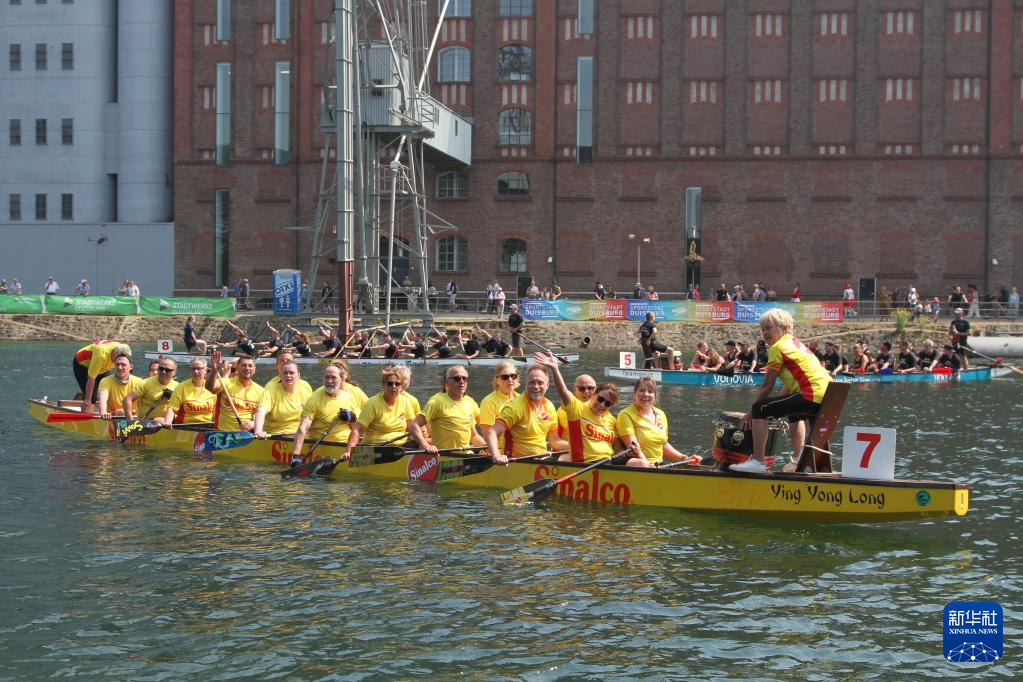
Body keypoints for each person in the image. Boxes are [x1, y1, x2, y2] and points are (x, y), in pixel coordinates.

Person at [734, 308, 833, 474]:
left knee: (760, 408)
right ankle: (800, 459)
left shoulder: (777, 348)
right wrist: (777, 409)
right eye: (763, 329)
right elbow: (791, 383)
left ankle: (758, 462)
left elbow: (767, 386)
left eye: (769, 328)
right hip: (829, 394)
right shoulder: (796, 344)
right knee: (793, 412)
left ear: (785, 328)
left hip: (812, 394)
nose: (765, 332)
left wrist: (751, 413)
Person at [534, 352, 622, 463]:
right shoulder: (576, 410)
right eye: (600, 399)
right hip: (578, 459)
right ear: (595, 394)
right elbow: (564, 392)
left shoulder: (612, 420)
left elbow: (618, 448)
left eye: (608, 403)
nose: (602, 404)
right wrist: (555, 369)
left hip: (606, 460)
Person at [289, 362, 367, 466]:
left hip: (347, 445)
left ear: (341, 379)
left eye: (333, 377)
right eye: (327, 377)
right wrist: (296, 456)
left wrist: (352, 418)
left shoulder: (348, 397)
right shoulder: (314, 399)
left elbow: (357, 429)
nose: (329, 381)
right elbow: (303, 428)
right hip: (322, 444)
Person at [485, 364, 562, 462]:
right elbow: (491, 433)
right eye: (532, 382)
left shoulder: (550, 406)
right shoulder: (514, 407)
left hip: (542, 460)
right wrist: (497, 456)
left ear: (547, 385)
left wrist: (574, 446)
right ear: (526, 384)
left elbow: (555, 441)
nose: (536, 386)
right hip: (517, 462)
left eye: (540, 383)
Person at [616, 377, 699, 468]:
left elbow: (663, 444)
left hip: (657, 465)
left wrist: (684, 458)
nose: (646, 394)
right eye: (642, 390)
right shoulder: (626, 415)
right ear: (635, 393)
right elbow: (634, 448)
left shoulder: (661, 414)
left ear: (655, 395)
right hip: (637, 462)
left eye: (650, 391)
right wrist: (648, 465)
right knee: (643, 464)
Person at [345, 365, 421, 459]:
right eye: (390, 383)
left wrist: (424, 443)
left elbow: (412, 427)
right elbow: (358, 430)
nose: (393, 386)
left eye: (397, 384)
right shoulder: (373, 403)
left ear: (401, 387)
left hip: (401, 447)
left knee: (424, 443)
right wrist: (349, 451)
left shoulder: (405, 401)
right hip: (377, 448)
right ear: (384, 385)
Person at [412, 365, 485, 452]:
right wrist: (425, 445)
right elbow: (414, 425)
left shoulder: (469, 402)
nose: (462, 381)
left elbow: (474, 436)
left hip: (466, 454)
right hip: (444, 456)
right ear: (447, 383)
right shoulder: (437, 402)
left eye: (464, 378)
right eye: (457, 378)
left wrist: (488, 448)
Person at [253, 361, 313, 437]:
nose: (288, 375)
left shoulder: (305, 386)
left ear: (298, 375)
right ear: (280, 375)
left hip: (301, 432)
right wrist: (258, 431)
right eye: (285, 373)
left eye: (292, 373)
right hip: (277, 434)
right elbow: (261, 411)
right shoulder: (272, 389)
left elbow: (314, 412)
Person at [207, 351, 263, 430]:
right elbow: (210, 388)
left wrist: (254, 423)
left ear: (254, 369)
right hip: (223, 433)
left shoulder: (260, 391)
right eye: (244, 365)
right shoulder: (226, 383)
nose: (247, 368)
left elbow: (265, 415)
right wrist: (215, 371)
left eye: (250, 366)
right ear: (237, 368)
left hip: (246, 434)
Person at [73, 340, 132, 408]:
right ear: (114, 354)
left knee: (107, 395)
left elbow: (126, 375)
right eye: (118, 362)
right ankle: (84, 401)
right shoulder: (101, 355)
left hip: (103, 367)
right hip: (83, 364)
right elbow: (91, 378)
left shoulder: (123, 350)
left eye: (122, 363)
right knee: (93, 399)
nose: (119, 366)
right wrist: (88, 400)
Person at [479, 361, 520, 455]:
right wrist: (497, 455)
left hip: (517, 450)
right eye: (505, 377)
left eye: (513, 376)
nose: (510, 379)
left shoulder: (520, 399)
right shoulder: (489, 401)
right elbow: (487, 435)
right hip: (496, 453)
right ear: (497, 380)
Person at [161, 358, 217, 426]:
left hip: (206, 427)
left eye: (199, 368)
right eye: (193, 369)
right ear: (190, 370)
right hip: (185, 427)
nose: (196, 371)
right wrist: (168, 421)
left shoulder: (211, 387)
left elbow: (216, 411)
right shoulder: (181, 387)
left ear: (205, 370)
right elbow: (172, 408)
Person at [96, 354, 145, 419]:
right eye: (117, 364)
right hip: (112, 417)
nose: (119, 367)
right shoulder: (105, 381)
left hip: (135, 417)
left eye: (123, 365)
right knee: (120, 412)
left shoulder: (139, 382)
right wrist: (103, 412)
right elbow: (103, 398)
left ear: (131, 367)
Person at [556, 374, 598, 439]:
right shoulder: (565, 411)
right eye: (582, 389)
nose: (586, 392)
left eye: (590, 388)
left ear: (596, 390)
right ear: (574, 390)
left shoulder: (601, 408)